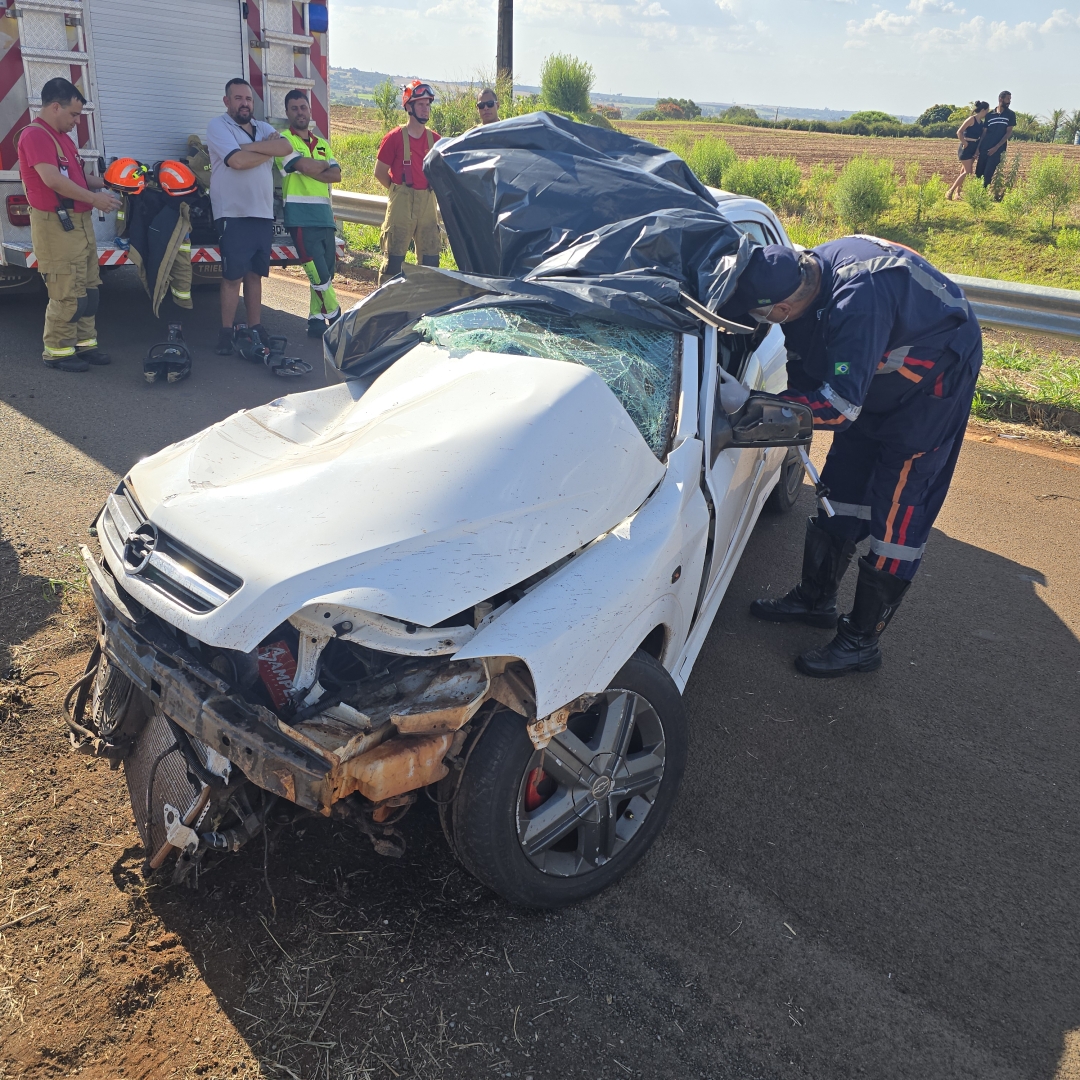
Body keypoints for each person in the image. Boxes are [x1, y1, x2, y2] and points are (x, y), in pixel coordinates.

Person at [720, 238, 982, 678]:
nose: (759, 324)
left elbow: (839, 409)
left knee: (899, 508)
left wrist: (754, 404)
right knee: (842, 484)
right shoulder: (803, 281)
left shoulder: (859, 301)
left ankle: (861, 642)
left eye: (759, 316)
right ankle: (815, 599)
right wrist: (789, 406)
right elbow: (811, 378)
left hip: (932, 385)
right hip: (874, 380)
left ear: (781, 308)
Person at [17, 78, 120, 372]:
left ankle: (85, 345)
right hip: (56, 226)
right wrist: (95, 199)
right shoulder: (35, 136)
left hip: (78, 225)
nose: (77, 122)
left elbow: (77, 177)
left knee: (88, 289)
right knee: (67, 292)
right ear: (54, 107)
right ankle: (58, 352)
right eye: (73, 114)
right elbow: (53, 180)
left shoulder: (62, 138)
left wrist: (112, 183)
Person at [206, 78, 292, 356]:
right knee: (233, 277)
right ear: (227, 101)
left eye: (249, 99)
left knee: (255, 275)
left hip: (262, 213)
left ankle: (255, 328)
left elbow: (286, 148)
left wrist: (248, 147)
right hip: (233, 213)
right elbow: (237, 162)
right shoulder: (218, 126)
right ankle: (226, 333)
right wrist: (265, 150)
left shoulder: (263, 128)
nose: (245, 103)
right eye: (238, 98)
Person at [276, 89, 343, 338]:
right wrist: (320, 165)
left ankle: (315, 320)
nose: (299, 112)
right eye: (294, 108)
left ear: (310, 111)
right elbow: (303, 166)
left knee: (327, 272)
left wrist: (313, 167)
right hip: (300, 218)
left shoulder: (322, 143)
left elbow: (336, 175)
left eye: (303, 107)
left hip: (324, 217)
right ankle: (336, 315)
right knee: (318, 272)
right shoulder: (285, 141)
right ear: (287, 112)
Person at [374, 80, 441, 286]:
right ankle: (386, 303)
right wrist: (398, 192)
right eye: (420, 104)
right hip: (401, 204)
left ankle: (424, 303)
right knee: (393, 263)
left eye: (427, 104)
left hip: (428, 204)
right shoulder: (394, 137)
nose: (425, 108)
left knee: (430, 263)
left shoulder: (436, 140)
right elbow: (380, 172)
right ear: (409, 107)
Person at [946, 101, 989, 200]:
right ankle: (950, 191)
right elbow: (959, 132)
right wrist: (964, 143)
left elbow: (980, 138)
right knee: (968, 172)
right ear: (983, 110)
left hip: (974, 147)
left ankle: (957, 194)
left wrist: (977, 150)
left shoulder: (981, 123)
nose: (987, 113)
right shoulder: (971, 119)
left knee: (963, 171)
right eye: (987, 111)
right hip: (966, 147)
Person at [976, 91, 1016, 191]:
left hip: (998, 150)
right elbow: (984, 133)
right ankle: (976, 194)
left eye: (1010, 99)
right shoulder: (989, 115)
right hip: (984, 148)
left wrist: (996, 147)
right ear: (1000, 99)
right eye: (1007, 99)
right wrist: (978, 148)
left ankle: (983, 195)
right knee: (979, 173)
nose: (1009, 101)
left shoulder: (1010, 114)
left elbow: (1008, 133)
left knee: (988, 174)